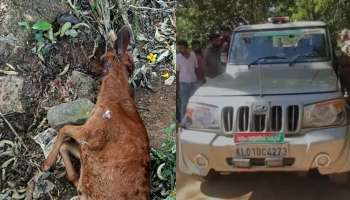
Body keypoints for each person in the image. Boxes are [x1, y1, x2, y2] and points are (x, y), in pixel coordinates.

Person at [176, 40, 198, 122]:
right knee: (184, 103)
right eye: (179, 48)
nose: (180, 50)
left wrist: (198, 81)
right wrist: (177, 85)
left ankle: (192, 120)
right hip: (183, 83)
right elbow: (177, 72)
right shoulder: (178, 57)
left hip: (193, 82)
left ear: (186, 47)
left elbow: (196, 68)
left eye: (181, 48)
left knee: (193, 103)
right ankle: (183, 121)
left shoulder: (193, 55)